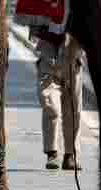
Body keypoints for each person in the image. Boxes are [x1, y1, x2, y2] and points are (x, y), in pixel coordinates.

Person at [31, 26, 83, 171]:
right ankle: (52, 152)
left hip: (73, 59)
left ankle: (70, 155)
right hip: (49, 59)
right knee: (51, 106)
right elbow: (34, 20)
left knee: (73, 111)